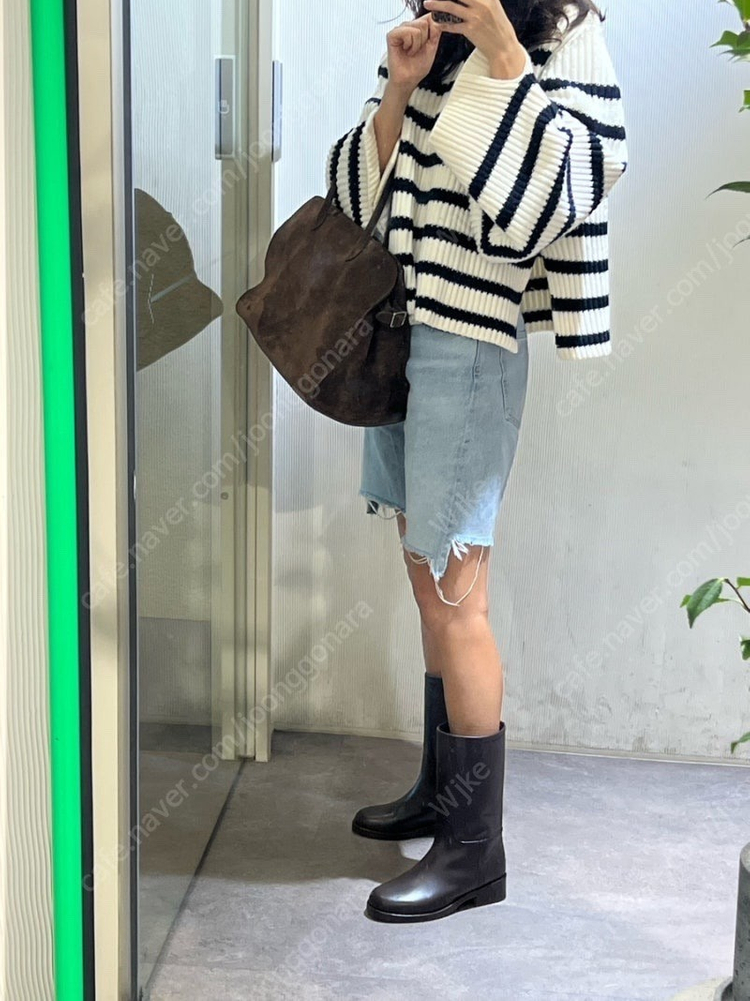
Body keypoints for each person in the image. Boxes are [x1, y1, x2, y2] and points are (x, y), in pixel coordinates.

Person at [325, 0, 628, 923]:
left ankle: (473, 850)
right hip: (399, 331)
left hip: (471, 337)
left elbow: (569, 189)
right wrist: (399, 91)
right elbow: (357, 205)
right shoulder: (436, 36)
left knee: (458, 593)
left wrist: (504, 52)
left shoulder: (566, 33)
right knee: (429, 581)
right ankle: (440, 792)